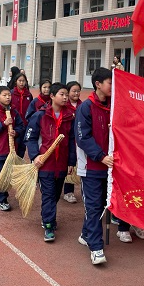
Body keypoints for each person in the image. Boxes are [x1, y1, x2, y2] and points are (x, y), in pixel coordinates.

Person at [25, 82, 76, 242]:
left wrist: (71, 162)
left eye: (66, 95)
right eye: (62, 94)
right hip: (45, 163)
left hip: (61, 163)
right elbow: (30, 138)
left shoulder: (70, 116)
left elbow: (73, 140)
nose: (65, 97)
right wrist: (35, 156)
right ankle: (48, 225)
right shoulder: (40, 115)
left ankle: (47, 216)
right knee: (48, 195)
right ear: (52, 96)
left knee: (55, 195)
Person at [75, 67, 112, 264]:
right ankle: (96, 248)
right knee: (93, 205)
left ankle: (86, 234)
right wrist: (100, 156)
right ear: (98, 84)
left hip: (110, 167)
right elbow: (83, 138)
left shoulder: (113, 105)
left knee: (101, 206)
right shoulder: (86, 107)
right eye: (110, 83)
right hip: (91, 167)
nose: (113, 87)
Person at [0, 86, 25, 211]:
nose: (8, 97)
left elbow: (21, 126)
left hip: (11, 150)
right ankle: (2, 199)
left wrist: (16, 132)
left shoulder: (14, 112)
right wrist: (3, 124)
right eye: (4, 95)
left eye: (9, 95)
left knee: (8, 175)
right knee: (0, 174)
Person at [63, 80, 82, 204]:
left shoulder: (83, 105)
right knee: (69, 164)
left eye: (78, 91)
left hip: (80, 141)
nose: (76, 93)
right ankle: (68, 192)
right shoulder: (64, 106)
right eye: (74, 91)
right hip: (67, 140)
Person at [11, 73, 33, 158]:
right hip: (15, 125)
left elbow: (31, 109)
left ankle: (20, 164)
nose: (21, 83)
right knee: (14, 145)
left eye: (23, 81)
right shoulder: (11, 93)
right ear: (16, 81)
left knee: (22, 146)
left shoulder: (28, 95)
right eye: (19, 81)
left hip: (25, 124)